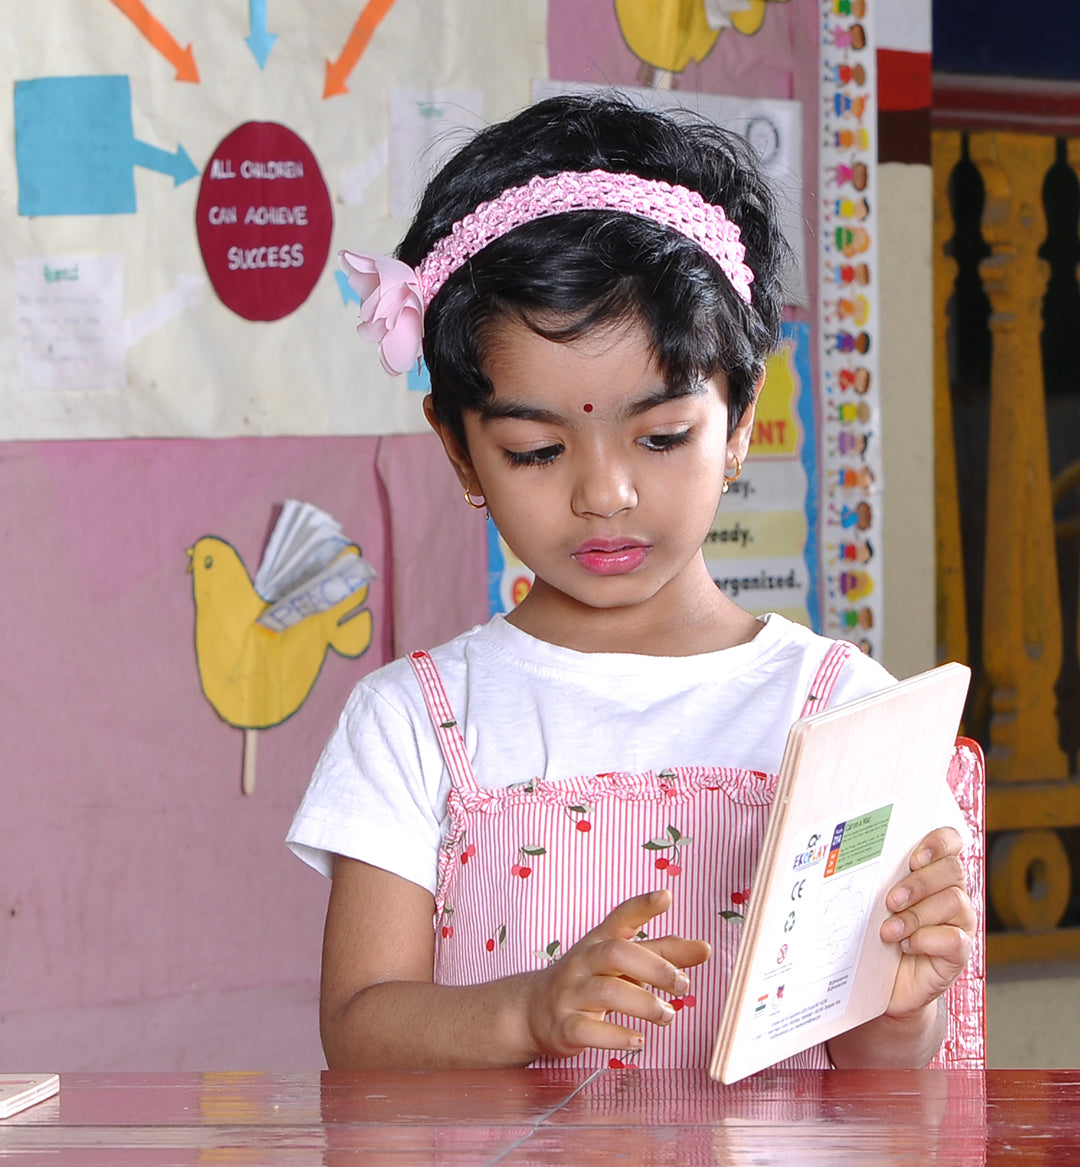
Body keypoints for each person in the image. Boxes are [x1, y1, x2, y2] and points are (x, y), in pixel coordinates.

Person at [287, 93, 974, 1072]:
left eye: (659, 437)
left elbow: (876, 1075)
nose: (604, 494)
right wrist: (525, 1013)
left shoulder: (841, 716)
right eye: (534, 450)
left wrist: (901, 1013)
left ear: (739, 419)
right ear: (460, 449)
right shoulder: (413, 722)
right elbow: (358, 1032)